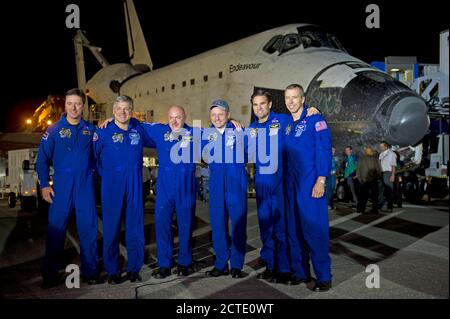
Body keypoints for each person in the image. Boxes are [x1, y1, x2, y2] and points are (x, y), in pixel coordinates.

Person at [248, 90, 319, 284]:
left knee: (282, 229)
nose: (259, 108)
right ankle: (271, 266)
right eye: (255, 104)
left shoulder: (283, 120)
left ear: (270, 104)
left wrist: (311, 112)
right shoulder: (252, 128)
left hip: (280, 184)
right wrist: (232, 123)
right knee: (266, 229)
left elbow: (301, 122)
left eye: (262, 103)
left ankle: (286, 269)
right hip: (262, 185)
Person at [36, 88, 101, 288]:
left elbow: (101, 155)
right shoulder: (53, 130)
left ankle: (91, 272)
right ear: (65, 105)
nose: (74, 107)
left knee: (89, 229)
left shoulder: (91, 130)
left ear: (83, 106)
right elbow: (42, 160)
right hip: (62, 188)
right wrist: (45, 185)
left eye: (78, 104)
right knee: (56, 230)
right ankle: (50, 274)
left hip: (84, 186)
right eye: (70, 103)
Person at [93, 95, 151, 284]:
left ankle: (134, 268)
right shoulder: (103, 131)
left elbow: (165, 133)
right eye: (119, 109)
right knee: (111, 228)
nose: (122, 112)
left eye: (126, 108)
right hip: (112, 184)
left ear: (132, 110)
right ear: (113, 111)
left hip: (134, 181)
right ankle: (113, 270)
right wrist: (106, 174)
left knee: (135, 227)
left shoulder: (139, 128)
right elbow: (93, 157)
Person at [284, 84, 333, 292]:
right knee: (294, 231)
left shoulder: (315, 119)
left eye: (295, 97)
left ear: (303, 99)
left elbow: (324, 149)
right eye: (288, 98)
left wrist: (321, 179)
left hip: (310, 183)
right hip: (290, 184)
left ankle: (324, 277)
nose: (291, 101)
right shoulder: (286, 124)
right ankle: (300, 272)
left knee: (314, 230)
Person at [203, 99, 248, 279]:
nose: (217, 118)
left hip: (235, 180)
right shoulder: (206, 133)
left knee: (238, 224)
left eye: (221, 114)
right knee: (218, 224)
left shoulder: (239, 130)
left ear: (228, 115)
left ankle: (236, 264)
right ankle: (221, 263)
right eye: (213, 115)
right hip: (216, 182)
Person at [356, 147, 382, 214]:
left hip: (364, 180)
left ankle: (361, 209)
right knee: (374, 196)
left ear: (365, 152)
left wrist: (359, 178)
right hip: (374, 180)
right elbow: (379, 169)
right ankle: (375, 210)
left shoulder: (361, 159)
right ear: (371, 152)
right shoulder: (375, 159)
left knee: (363, 196)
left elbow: (358, 169)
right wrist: (378, 177)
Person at [378, 141, 397, 213]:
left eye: (381, 146)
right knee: (380, 190)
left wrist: (392, 175)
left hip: (388, 173)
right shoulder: (381, 154)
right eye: (380, 146)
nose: (380, 148)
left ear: (386, 146)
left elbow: (393, 165)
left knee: (389, 191)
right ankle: (380, 205)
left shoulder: (392, 154)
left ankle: (389, 207)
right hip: (381, 173)